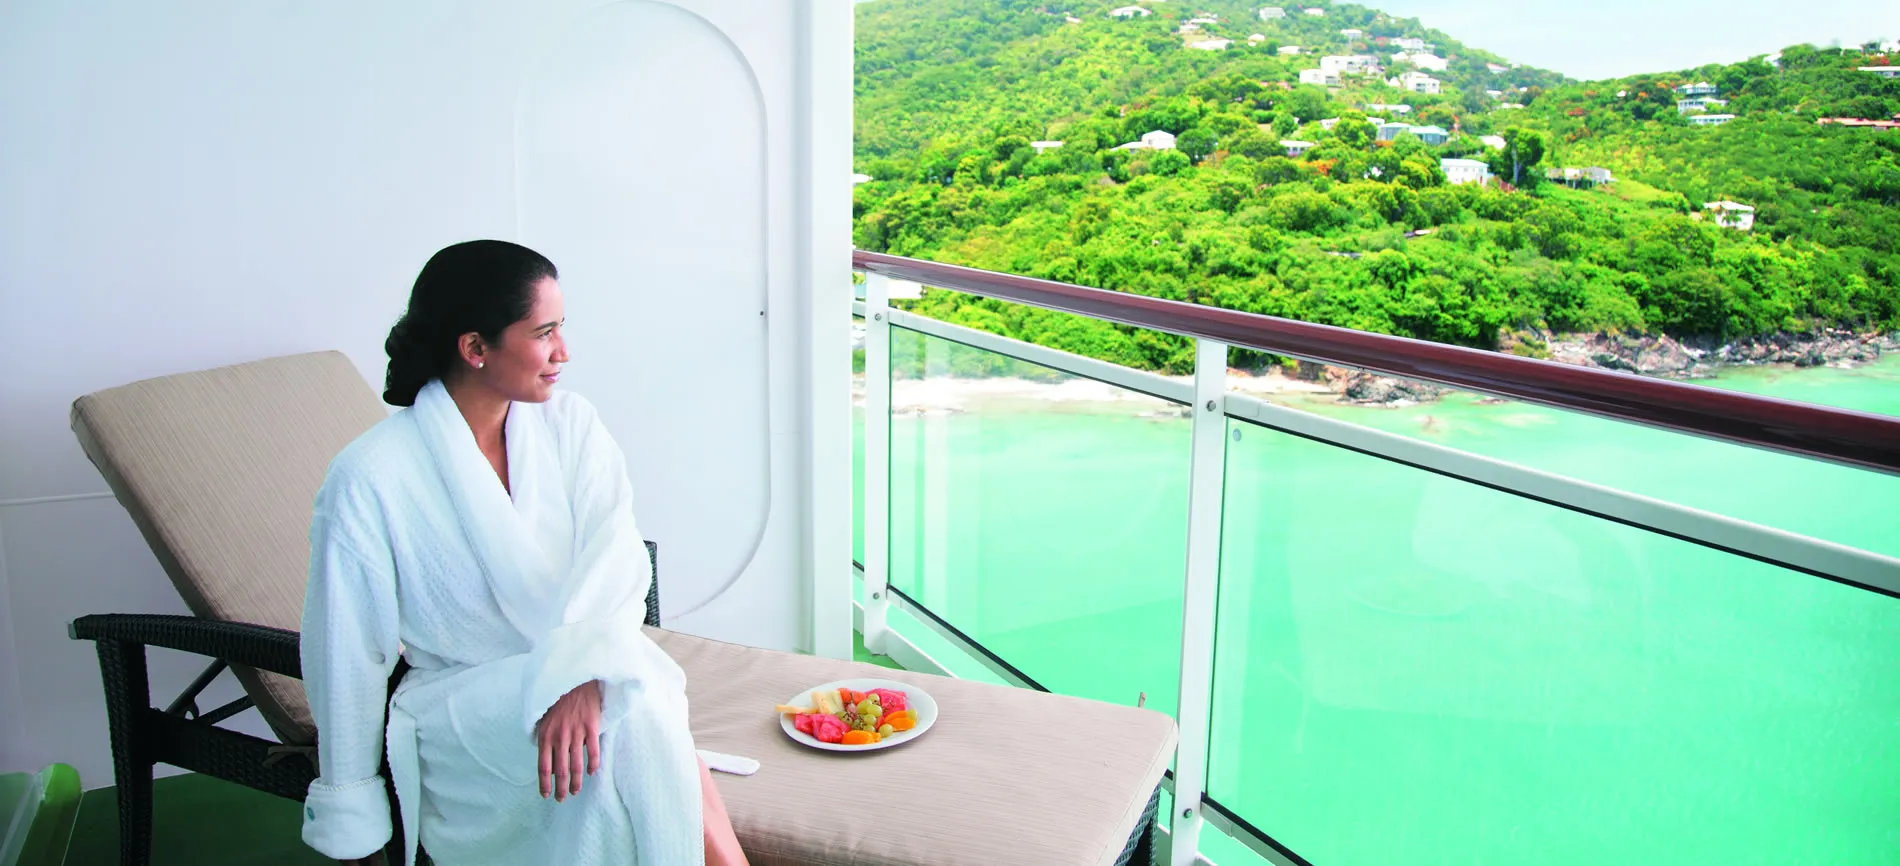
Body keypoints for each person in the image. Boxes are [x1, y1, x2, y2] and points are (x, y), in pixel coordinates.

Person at [299, 240, 748, 866]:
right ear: (475, 347)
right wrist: (351, 800)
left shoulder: (572, 425)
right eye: (544, 333)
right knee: (638, 709)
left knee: (633, 705)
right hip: (467, 706)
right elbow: (345, 647)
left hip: (582, 680)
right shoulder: (370, 476)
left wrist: (578, 671)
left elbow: (616, 556)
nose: (564, 351)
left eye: (562, 327)